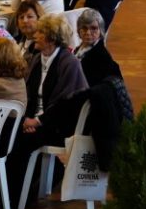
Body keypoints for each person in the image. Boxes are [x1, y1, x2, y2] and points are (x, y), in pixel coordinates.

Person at [9, 13, 90, 197]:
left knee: (20, 143)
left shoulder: (69, 63)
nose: (35, 35)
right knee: (8, 133)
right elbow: (26, 93)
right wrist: (25, 120)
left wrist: (37, 122)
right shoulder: (38, 59)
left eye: (40, 32)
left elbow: (67, 105)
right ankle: (7, 193)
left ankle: (19, 197)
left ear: (51, 38)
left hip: (59, 125)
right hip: (36, 120)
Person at [74, 8, 123, 86]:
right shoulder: (79, 49)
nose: (88, 33)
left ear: (101, 31)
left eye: (93, 28)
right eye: (84, 28)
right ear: (79, 30)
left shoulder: (101, 57)